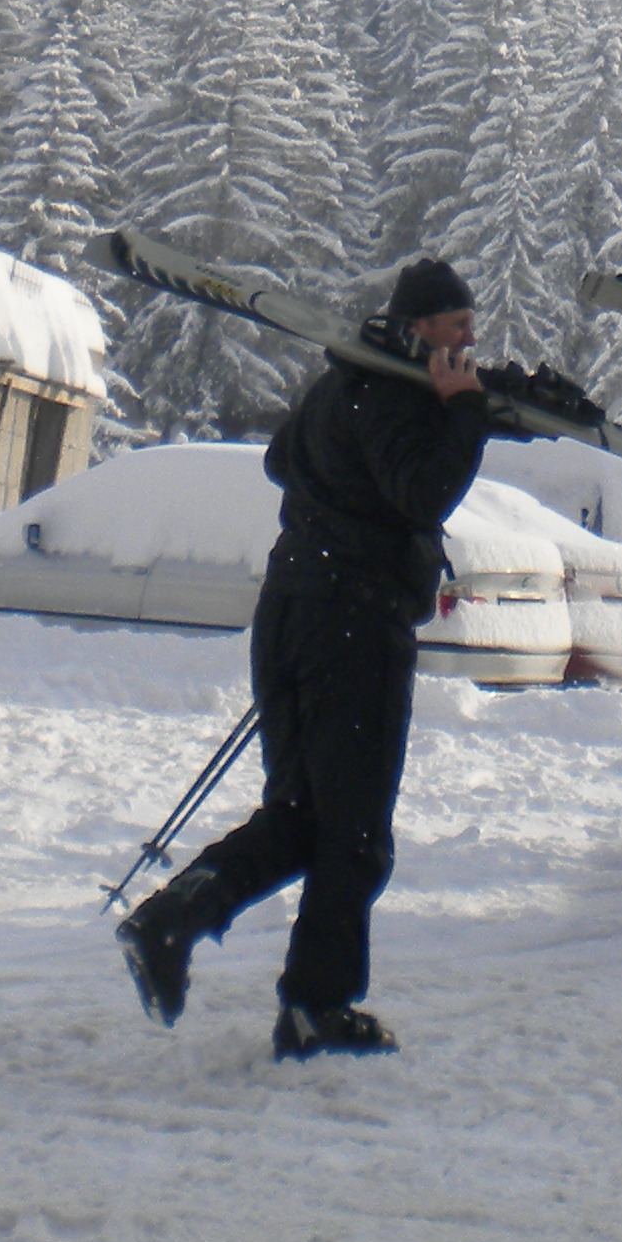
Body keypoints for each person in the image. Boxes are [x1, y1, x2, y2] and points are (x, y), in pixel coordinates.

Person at [117, 258, 497, 1060]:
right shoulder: (396, 395)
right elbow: (423, 493)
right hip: (353, 626)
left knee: (302, 816)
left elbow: (281, 461)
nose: (470, 338)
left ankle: (172, 918)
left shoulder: (339, 386)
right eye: (457, 324)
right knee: (353, 833)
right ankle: (315, 1007)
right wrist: (463, 416)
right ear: (418, 328)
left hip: (291, 611)